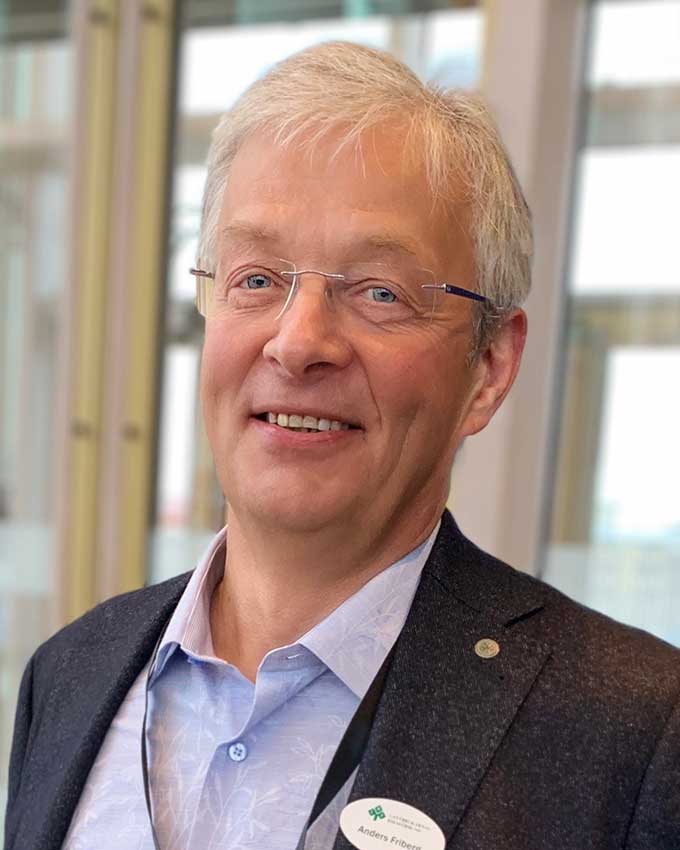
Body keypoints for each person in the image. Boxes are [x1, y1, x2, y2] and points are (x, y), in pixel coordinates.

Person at [5, 41, 680, 850]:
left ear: (489, 367)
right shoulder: (71, 673)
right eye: (257, 279)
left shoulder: (631, 735)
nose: (298, 344)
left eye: (379, 292)